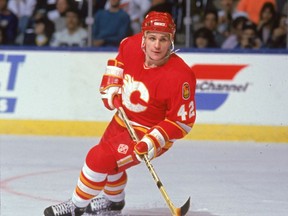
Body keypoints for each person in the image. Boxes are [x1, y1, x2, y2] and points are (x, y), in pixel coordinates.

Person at [43, 11, 196, 216]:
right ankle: (113, 203)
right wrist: (111, 88)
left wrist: (150, 141)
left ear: (171, 40)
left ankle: (76, 206)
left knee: (98, 158)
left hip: (151, 132)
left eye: (163, 39)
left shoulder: (181, 76)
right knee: (109, 163)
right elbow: (117, 66)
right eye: (152, 38)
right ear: (144, 37)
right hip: (123, 118)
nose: (157, 45)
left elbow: (181, 122)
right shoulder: (130, 45)